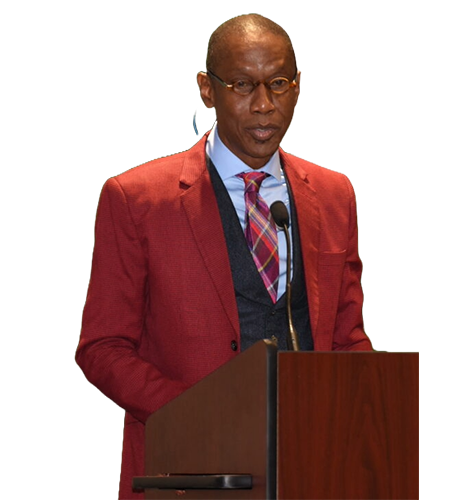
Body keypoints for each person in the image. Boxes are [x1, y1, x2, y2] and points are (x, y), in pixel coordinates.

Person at [76, 14, 372, 500]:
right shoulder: (137, 199)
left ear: (297, 88)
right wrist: (198, 413)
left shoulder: (333, 194)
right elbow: (102, 349)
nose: (263, 104)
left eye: (278, 83)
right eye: (242, 85)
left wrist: (367, 421)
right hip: (190, 471)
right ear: (207, 90)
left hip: (314, 467)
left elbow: (347, 338)